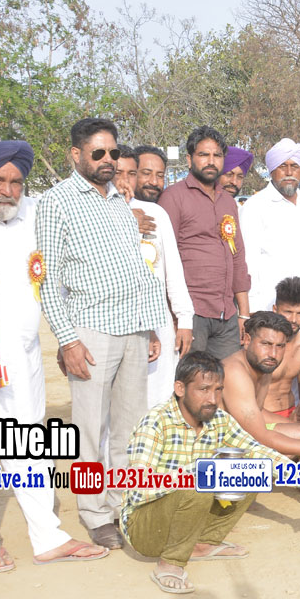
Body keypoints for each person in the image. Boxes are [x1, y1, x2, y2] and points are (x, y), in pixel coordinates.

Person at [0, 141, 108, 572]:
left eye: (15, 182)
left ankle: (47, 537)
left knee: (29, 442)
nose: (6, 191)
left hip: (24, 353)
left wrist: (66, 339)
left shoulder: (35, 213)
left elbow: (75, 233)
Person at [37, 118, 165, 547]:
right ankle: (94, 514)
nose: (108, 160)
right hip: (90, 332)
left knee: (131, 427)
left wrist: (149, 327)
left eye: (113, 152)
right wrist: (67, 340)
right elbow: (47, 280)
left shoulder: (118, 201)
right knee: (89, 431)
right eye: (98, 153)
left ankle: (123, 505)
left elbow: (134, 267)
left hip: (134, 328)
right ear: (76, 155)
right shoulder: (56, 202)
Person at [122, 352, 296, 594]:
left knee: (252, 470)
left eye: (218, 390)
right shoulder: (155, 422)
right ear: (180, 388)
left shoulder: (219, 419)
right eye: (203, 389)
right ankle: (170, 564)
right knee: (199, 482)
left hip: (185, 517)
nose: (212, 399)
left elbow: (258, 451)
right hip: (145, 530)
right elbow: (139, 489)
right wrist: (199, 470)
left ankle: (203, 544)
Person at [158, 125, 251, 359]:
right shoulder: (173, 197)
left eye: (217, 155)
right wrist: (175, 317)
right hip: (191, 313)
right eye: (204, 155)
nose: (211, 161)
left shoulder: (228, 202)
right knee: (190, 378)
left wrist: (244, 314)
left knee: (229, 376)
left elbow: (237, 257)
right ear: (190, 160)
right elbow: (163, 259)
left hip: (226, 313)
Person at [114, 146, 194, 406]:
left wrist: (184, 319)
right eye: (118, 173)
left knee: (158, 399)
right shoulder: (94, 215)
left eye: (131, 174)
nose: (125, 181)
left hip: (159, 324)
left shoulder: (156, 213)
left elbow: (174, 272)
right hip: (113, 325)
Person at [220, 310, 300, 467]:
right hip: (220, 444)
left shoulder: (264, 365)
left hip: (242, 434)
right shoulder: (234, 372)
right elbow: (259, 435)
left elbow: (257, 411)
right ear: (246, 340)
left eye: (280, 346)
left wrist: (294, 424)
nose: (273, 354)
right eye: (266, 344)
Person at [240, 139, 300, 347]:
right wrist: (252, 309)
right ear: (271, 171)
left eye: (294, 166)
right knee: (275, 359)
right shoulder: (255, 206)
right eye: (282, 166)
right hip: (271, 305)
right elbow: (248, 262)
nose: (289, 172)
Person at [258, 277, 300, 426]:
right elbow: (247, 404)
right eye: (288, 312)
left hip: (291, 413)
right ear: (275, 309)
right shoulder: (260, 343)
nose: (293, 319)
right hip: (260, 415)